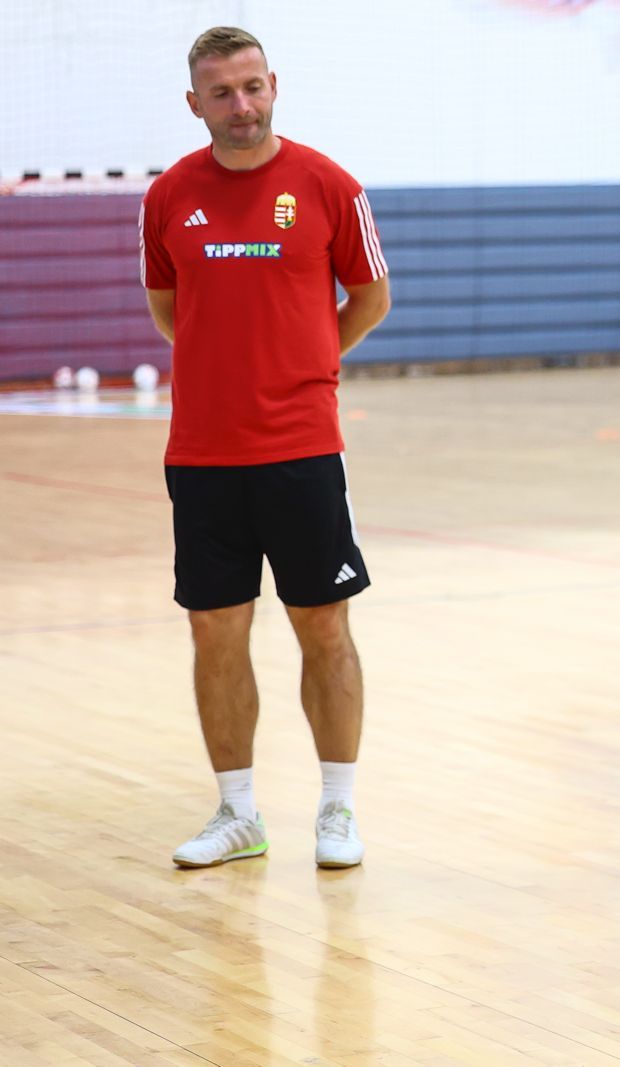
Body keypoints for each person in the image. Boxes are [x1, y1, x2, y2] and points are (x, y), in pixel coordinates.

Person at [139, 26, 391, 870]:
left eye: (252, 87)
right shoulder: (170, 195)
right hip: (202, 455)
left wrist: (306, 362)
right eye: (222, 92)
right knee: (215, 631)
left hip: (301, 449)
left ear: (273, 85)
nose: (241, 105)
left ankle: (338, 807)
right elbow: (170, 310)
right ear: (195, 103)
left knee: (323, 627)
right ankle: (238, 813)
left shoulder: (328, 185)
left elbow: (371, 296)